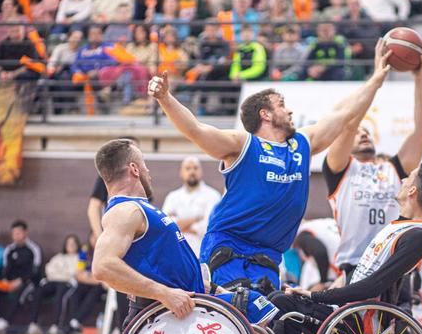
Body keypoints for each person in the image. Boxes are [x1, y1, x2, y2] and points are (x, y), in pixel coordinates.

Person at [147, 39, 393, 294]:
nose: (290, 111)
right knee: (239, 309)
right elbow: (196, 130)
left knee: (271, 315)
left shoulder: (301, 144)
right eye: (282, 105)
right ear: (265, 114)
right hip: (230, 246)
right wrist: (165, 99)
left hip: (269, 254)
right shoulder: (244, 144)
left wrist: (376, 79)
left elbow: (344, 113)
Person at [271, 162, 422, 334]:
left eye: (408, 178)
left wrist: (316, 295)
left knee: (282, 304)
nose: (403, 181)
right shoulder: (397, 226)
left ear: (412, 190)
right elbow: (362, 274)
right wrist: (331, 285)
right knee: (276, 297)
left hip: (359, 321)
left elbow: (373, 285)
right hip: (347, 309)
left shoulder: (418, 235)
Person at [90, 139, 278, 328]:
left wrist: (214, 289)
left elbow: (170, 269)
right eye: (144, 163)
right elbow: (102, 266)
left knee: (261, 304)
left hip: (197, 297)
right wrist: (163, 293)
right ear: (134, 169)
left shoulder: (141, 209)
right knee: (260, 307)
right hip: (171, 315)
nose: (148, 170)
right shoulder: (124, 210)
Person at [323, 41, 422, 281]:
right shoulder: (340, 168)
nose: (363, 134)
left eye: (367, 132)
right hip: (355, 266)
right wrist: (376, 78)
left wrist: (419, 79)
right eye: (358, 132)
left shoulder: (393, 168)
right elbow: (349, 123)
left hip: (394, 266)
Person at [0, 220, 42, 334]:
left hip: (27, 282)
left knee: (21, 291)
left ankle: (5, 322)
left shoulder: (33, 249)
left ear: (25, 233)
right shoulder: (9, 250)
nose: (16, 236)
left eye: (18, 233)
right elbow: (5, 268)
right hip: (10, 282)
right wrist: (5, 280)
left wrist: (20, 281)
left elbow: (35, 271)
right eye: (14, 233)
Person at [161, 157, 222, 257]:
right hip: (177, 254)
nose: (192, 172)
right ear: (181, 172)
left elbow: (209, 226)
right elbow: (166, 226)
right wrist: (195, 219)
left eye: (195, 168)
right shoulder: (172, 197)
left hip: (203, 253)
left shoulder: (213, 196)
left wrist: (179, 225)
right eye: (188, 168)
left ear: (201, 171)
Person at [29, 234, 82, 334]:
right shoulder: (58, 257)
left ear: (77, 245)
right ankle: (33, 324)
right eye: (69, 243)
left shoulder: (80, 258)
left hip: (67, 283)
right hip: (52, 281)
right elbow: (49, 269)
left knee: (60, 295)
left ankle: (55, 326)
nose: (71, 246)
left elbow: (75, 273)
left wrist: (60, 273)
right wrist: (63, 273)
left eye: (73, 244)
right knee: (38, 292)